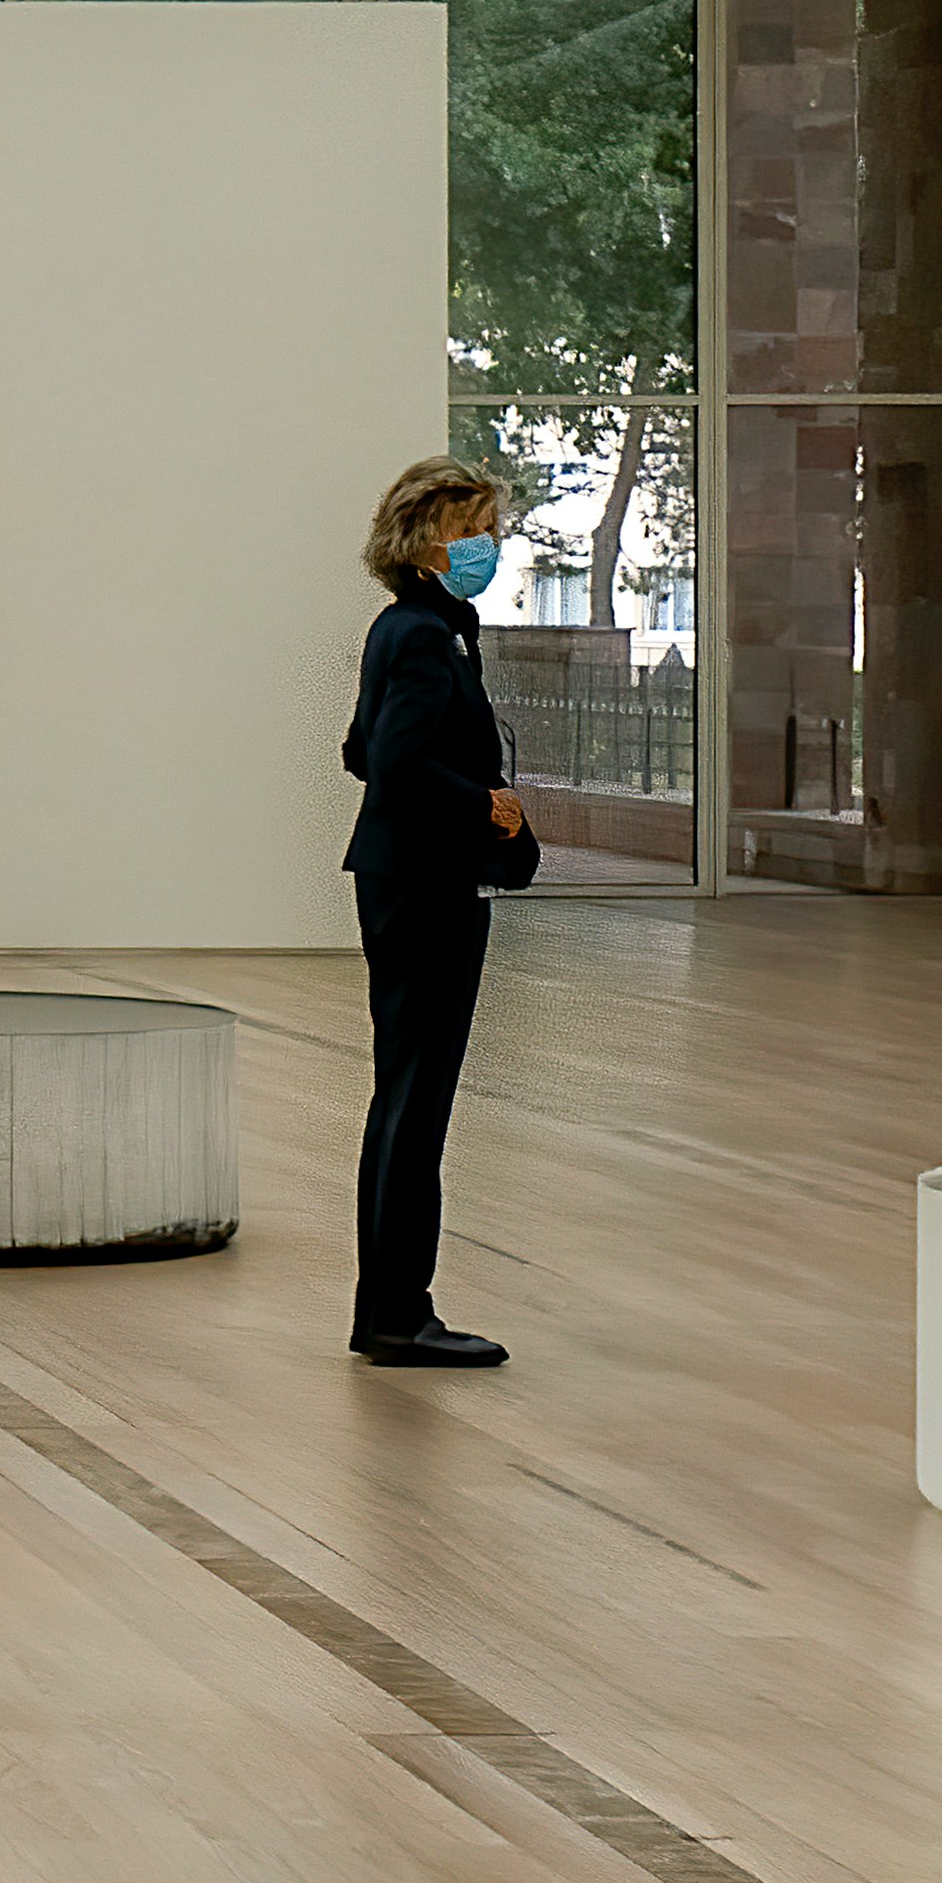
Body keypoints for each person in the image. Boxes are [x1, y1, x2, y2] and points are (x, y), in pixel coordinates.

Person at [337, 457, 542, 1368]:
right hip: (425, 881)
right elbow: (394, 759)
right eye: (472, 531)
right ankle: (396, 1316)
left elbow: (358, 750)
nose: (486, 548)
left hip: (400, 875)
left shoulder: (411, 629)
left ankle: (387, 1310)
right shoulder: (424, 635)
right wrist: (485, 805)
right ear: (426, 542)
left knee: (406, 1099)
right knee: (415, 1104)